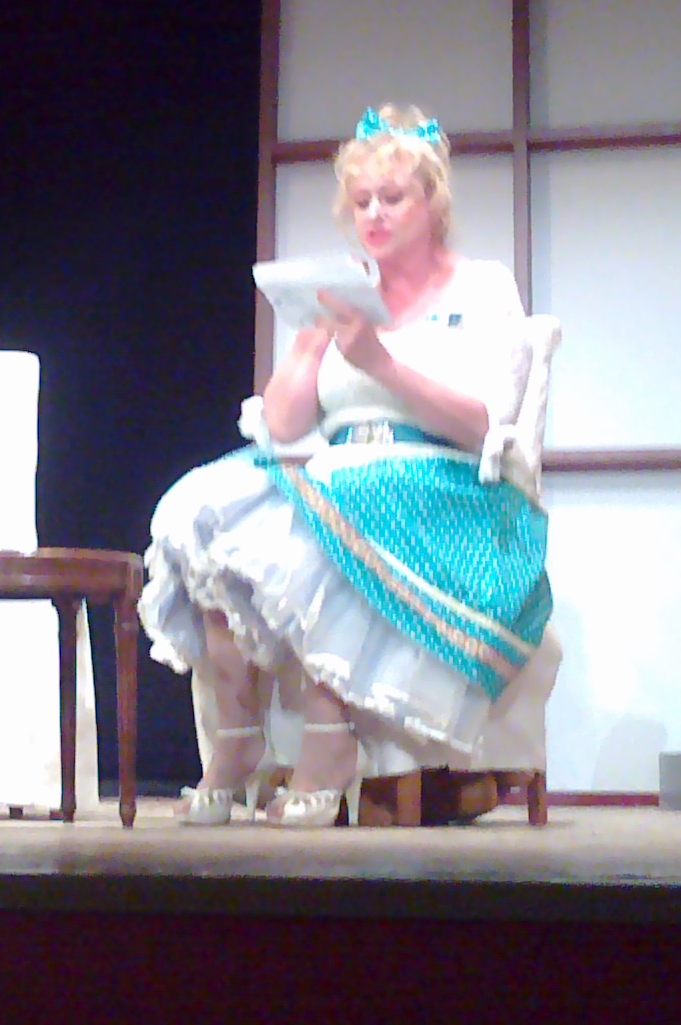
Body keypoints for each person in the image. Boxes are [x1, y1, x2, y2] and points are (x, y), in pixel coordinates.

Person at [140, 103, 553, 826]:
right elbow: (284, 426)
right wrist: (309, 344)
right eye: (361, 202)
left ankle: (330, 744)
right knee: (197, 509)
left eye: (391, 198)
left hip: (448, 486)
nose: (374, 215)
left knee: (326, 515)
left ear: (432, 203)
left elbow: (487, 422)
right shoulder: (348, 294)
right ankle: (236, 741)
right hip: (342, 472)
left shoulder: (482, 286)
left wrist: (380, 363)